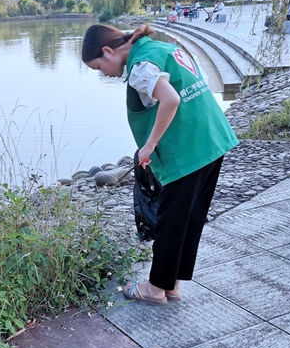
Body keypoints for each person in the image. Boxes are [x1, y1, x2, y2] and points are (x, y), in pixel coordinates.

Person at [80, 24, 239, 305]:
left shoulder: (140, 66)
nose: (102, 74)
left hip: (187, 149)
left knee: (170, 220)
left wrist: (150, 144)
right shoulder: (162, 48)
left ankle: (155, 288)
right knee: (189, 219)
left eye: (98, 67)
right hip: (212, 139)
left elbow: (171, 99)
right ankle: (171, 283)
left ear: (107, 51)